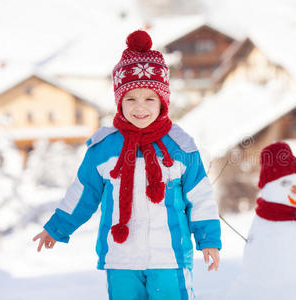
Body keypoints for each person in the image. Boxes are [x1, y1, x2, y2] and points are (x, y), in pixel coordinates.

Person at [32, 30, 221, 300]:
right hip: (121, 259)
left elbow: (200, 197)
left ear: (163, 102)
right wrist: (57, 227)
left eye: (149, 99)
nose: (139, 107)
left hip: (170, 258)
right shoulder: (104, 148)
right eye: (131, 98)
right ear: (119, 102)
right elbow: (83, 193)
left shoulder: (181, 147)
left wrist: (209, 241)